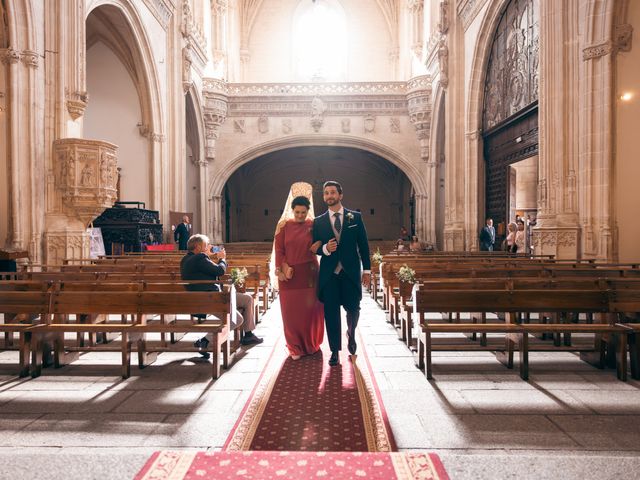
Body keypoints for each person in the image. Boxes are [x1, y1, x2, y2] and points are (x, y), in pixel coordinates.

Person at [312, 181, 371, 367]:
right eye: (326, 193)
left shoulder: (355, 217)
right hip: (329, 275)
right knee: (331, 313)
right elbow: (315, 247)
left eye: (332, 192)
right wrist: (326, 249)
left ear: (340, 195)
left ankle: (351, 335)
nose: (329, 196)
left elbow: (363, 246)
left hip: (350, 272)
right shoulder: (318, 221)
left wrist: (367, 270)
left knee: (353, 308)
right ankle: (335, 351)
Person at [180, 234, 263, 359]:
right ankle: (204, 341)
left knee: (247, 299)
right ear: (197, 247)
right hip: (211, 299)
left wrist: (209, 256)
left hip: (205, 296)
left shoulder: (186, 259)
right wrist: (222, 259)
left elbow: (206, 270)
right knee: (237, 319)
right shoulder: (200, 258)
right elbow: (220, 271)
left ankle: (248, 334)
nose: (209, 247)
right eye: (206, 245)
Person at [273, 185, 324, 360]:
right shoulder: (284, 225)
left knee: (311, 312)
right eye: (297, 212)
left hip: (310, 273)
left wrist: (318, 245)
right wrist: (280, 269)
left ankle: (311, 343)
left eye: (303, 212)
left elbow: (323, 243)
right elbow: (279, 250)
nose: (300, 215)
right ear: (292, 210)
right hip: (289, 275)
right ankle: (295, 347)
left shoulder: (315, 224)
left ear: (308, 210)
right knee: (291, 313)